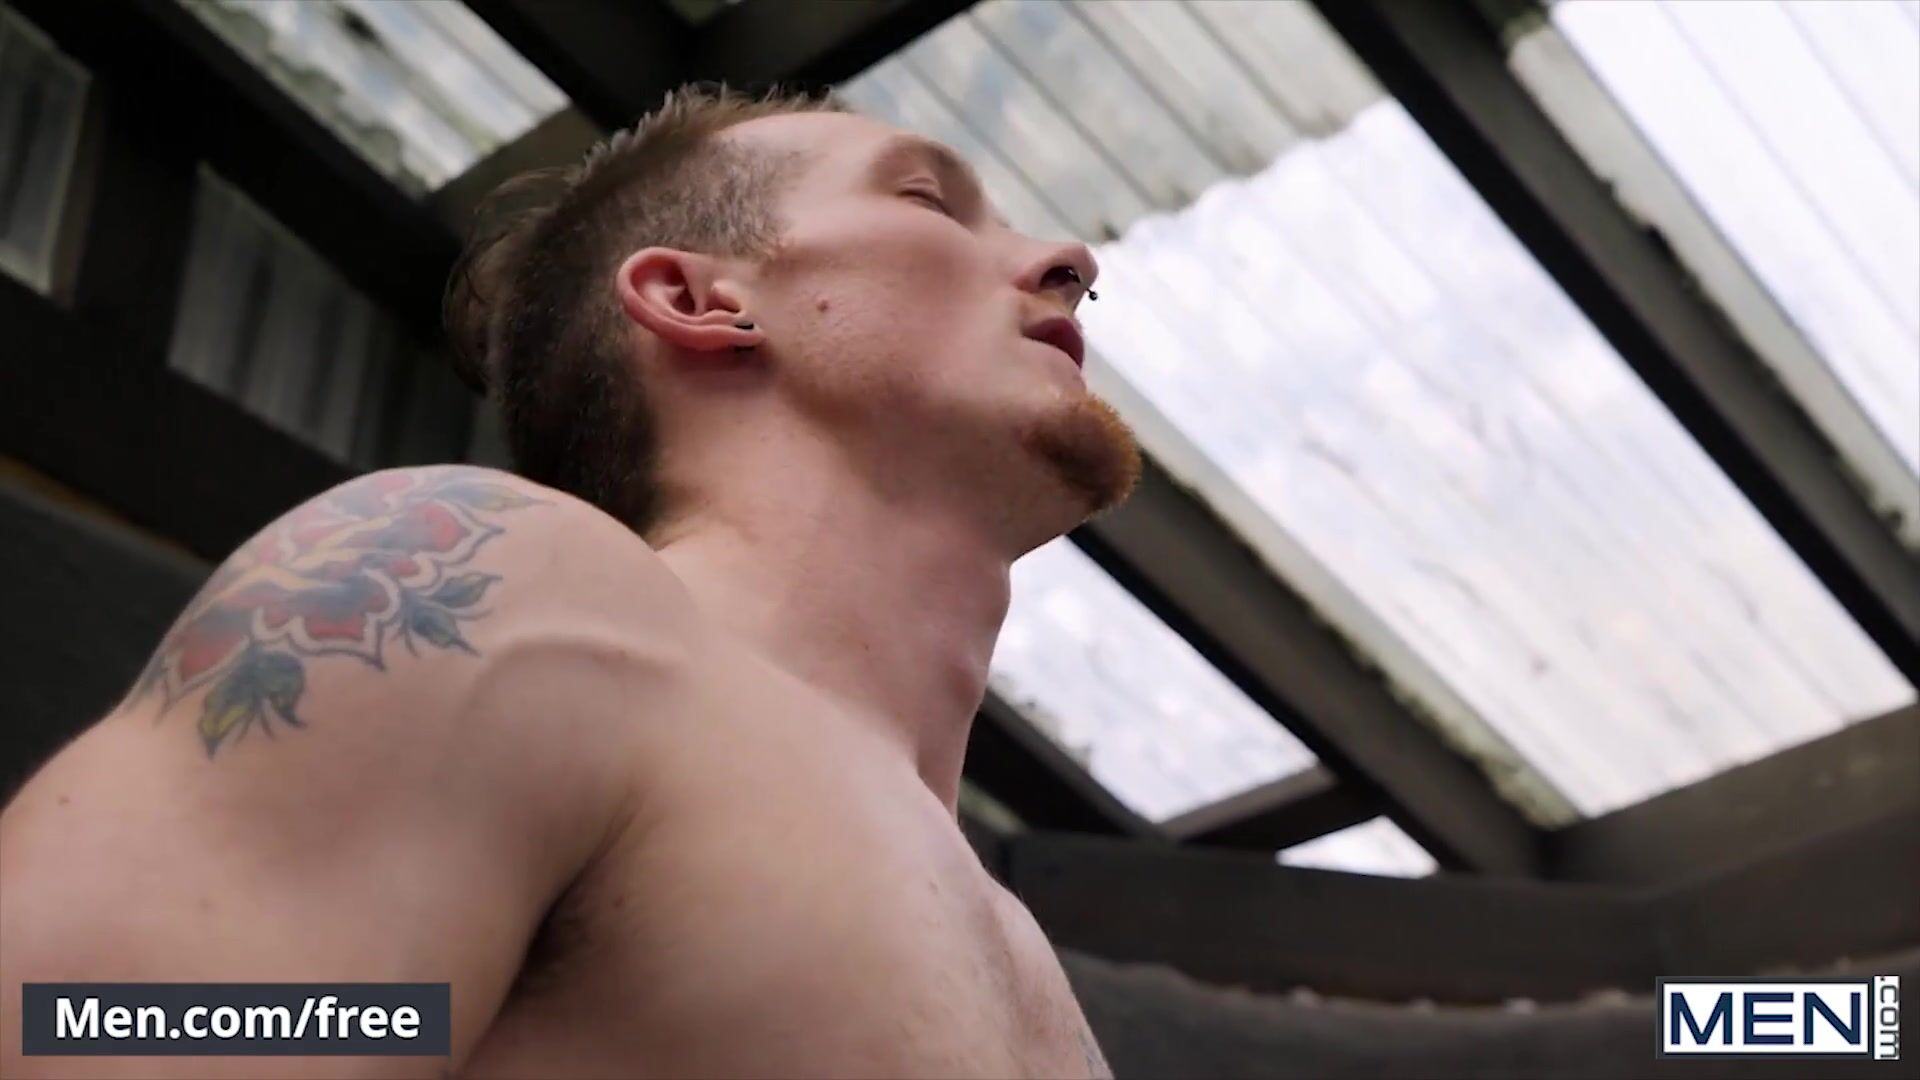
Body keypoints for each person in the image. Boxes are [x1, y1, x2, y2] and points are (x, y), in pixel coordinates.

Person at [0, 84, 1140, 1078]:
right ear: (700, 301)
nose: (1070, 260)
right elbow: (98, 1026)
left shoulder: (1029, 966)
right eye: (929, 200)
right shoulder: (501, 589)